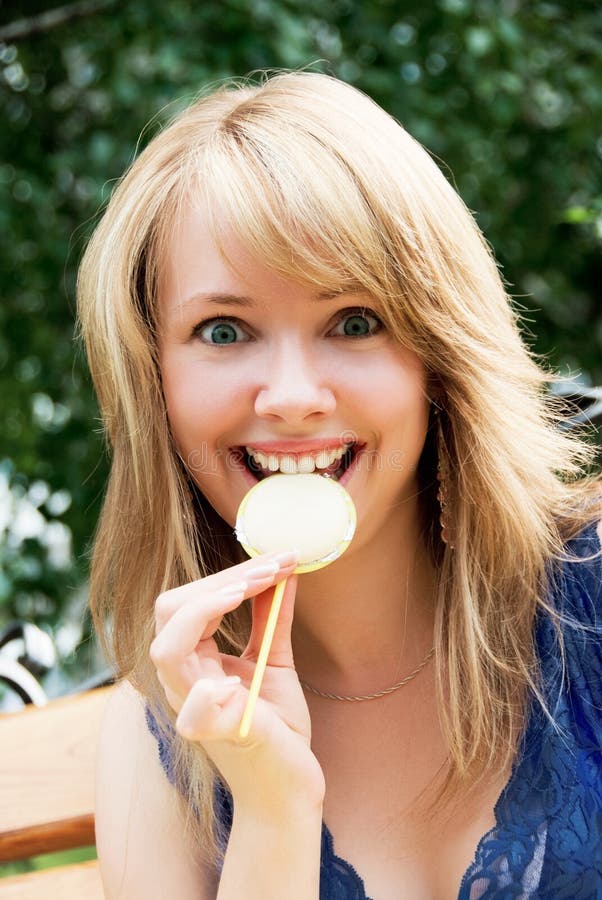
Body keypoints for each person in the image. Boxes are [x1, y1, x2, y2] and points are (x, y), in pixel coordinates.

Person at [77, 71, 602, 899]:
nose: (291, 396)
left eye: (354, 322)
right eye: (223, 330)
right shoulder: (160, 747)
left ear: (439, 353)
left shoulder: (590, 598)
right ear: (155, 385)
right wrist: (274, 813)